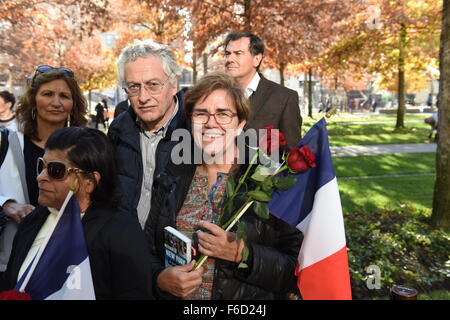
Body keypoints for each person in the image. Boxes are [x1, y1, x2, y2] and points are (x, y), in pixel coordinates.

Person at [145, 72, 301, 300]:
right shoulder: (174, 174)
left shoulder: (268, 180)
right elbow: (148, 248)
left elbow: (296, 268)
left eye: (223, 114)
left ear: (240, 124)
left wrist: (242, 254)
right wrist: (159, 278)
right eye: (201, 113)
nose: (211, 122)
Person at [0, 127, 154, 299]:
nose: (40, 177)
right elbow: (9, 283)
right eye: (41, 165)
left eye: (55, 170)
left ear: (89, 182)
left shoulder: (121, 232)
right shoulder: (32, 221)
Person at [0, 65, 87, 272]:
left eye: (64, 96)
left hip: (68, 263)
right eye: (47, 94)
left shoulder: (86, 147)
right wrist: (6, 205)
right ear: (33, 100)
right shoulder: (6, 141)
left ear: (73, 104)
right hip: (13, 261)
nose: (56, 103)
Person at [108, 39, 189, 229]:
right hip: (125, 249)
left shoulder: (196, 132)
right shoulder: (117, 131)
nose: (143, 97)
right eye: (134, 87)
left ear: (174, 84)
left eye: (153, 85)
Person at [224, 31, 302, 149]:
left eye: (238, 53)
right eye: (227, 53)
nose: (230, 59)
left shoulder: (284, 98)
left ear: (257, 59)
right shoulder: (215, 95)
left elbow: (290, 154)